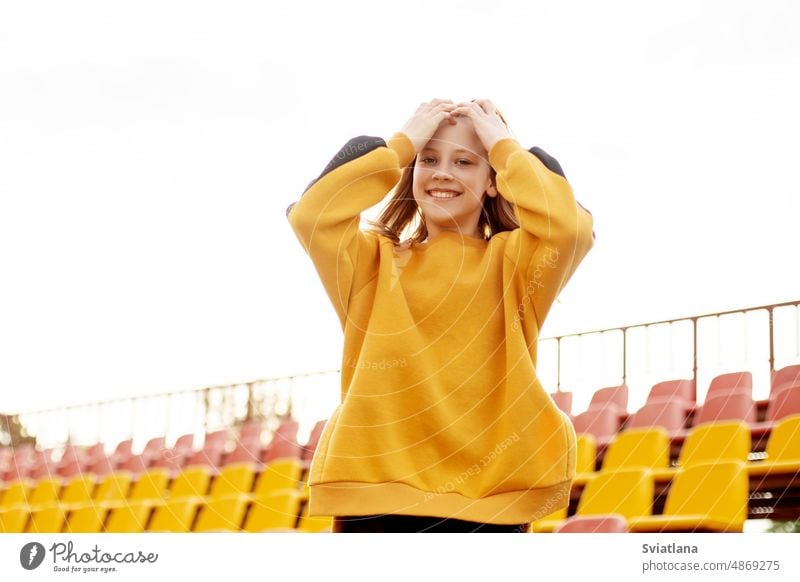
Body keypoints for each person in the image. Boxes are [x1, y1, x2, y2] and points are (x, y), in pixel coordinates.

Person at [286, 98, 595, 532]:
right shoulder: (373, 263)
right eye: (428, 159)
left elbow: (571, 227)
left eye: (465, 161)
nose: (442, 172)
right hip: (375, 493)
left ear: (494, 183)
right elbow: (313, 215)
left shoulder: (516, 265)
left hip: (486, 500)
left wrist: (504, 149)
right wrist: (400, 148)